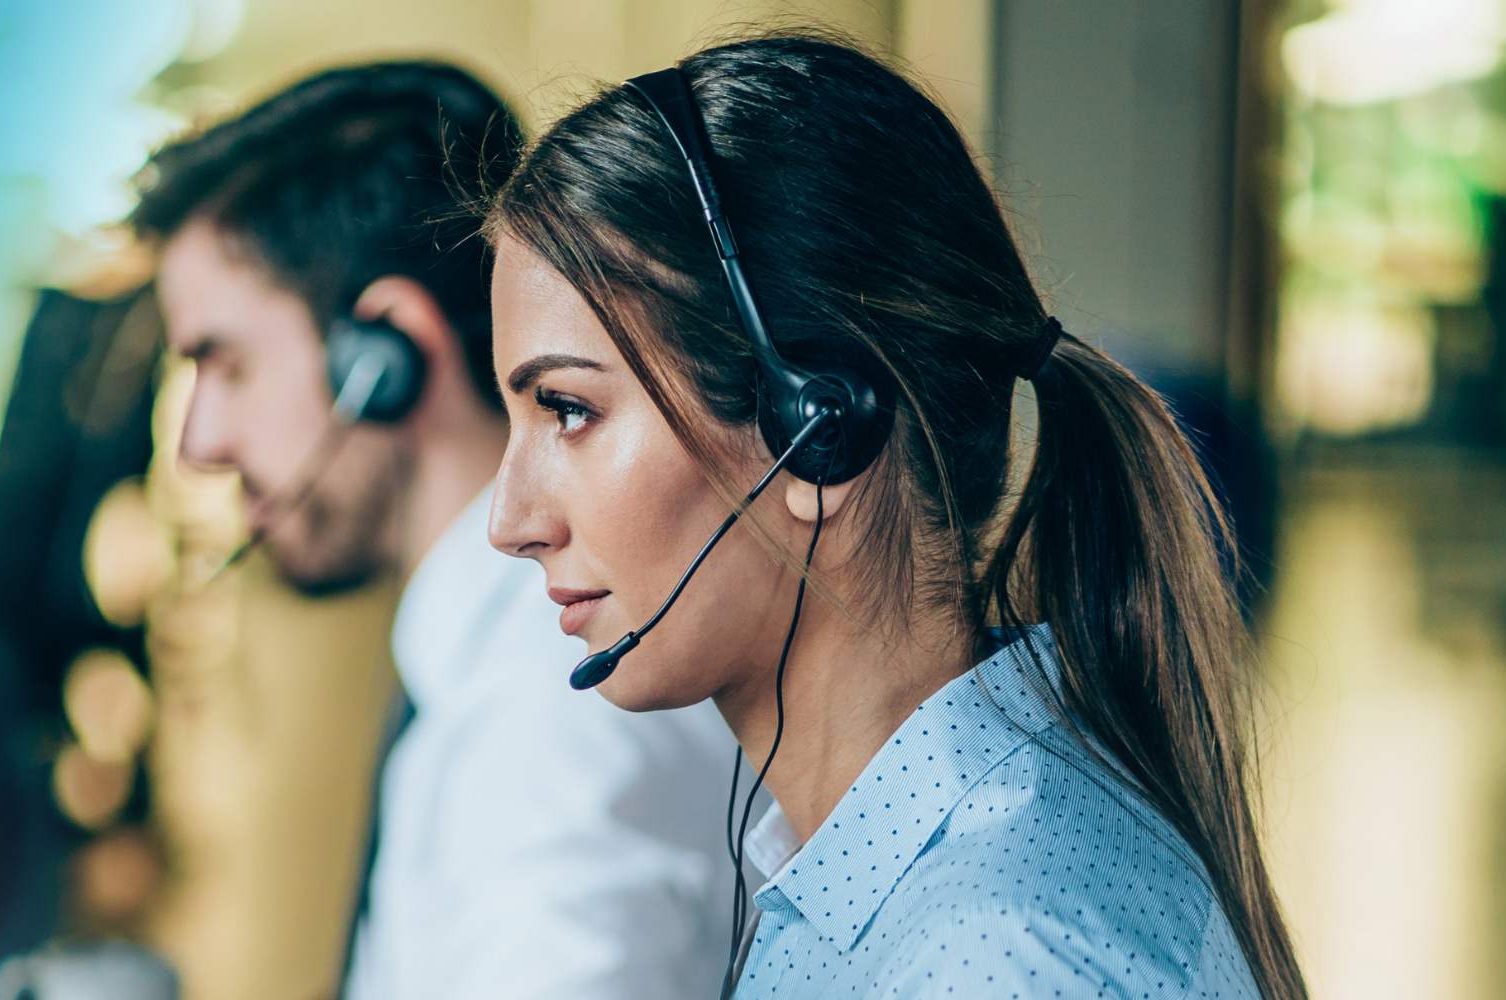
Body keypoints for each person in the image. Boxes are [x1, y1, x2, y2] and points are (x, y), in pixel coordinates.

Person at [481, 33, 1310, 998]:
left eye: (569, 411)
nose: (509, 519)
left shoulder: (992, 956)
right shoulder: (900, 864)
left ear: (817, 430)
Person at [132, 60, 745, 999]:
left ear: (384, 357)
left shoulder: (552, 703)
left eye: (227, 365)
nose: (199, 443)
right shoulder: (484, 677)